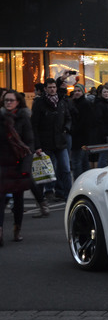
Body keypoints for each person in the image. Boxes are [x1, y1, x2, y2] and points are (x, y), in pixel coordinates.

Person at [1, 90, 37, 242]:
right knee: (0, 200)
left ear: (18, 101)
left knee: (18, 199)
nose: (8, 103)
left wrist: (26, 167)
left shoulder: (23, 118)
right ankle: (0, 231)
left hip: (18, 164)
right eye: (6, 100)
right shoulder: (1, 118)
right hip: (2, 164)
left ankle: (17, 229)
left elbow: (29, 144)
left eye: (11, 100)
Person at [31, 78, 73, 202]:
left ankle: (68, 194)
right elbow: (34, 125)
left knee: (65, 168)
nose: (52, 89)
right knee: (49, 170)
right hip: (46, 142)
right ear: (45, 89)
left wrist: (66, 129)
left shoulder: (62, 101)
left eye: (54, 87)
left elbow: (68, 118)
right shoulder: (39, 103)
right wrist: (37, 145)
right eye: (50, 87)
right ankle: (47, 193)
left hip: (60, 141)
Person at [70, 83, 94, 179]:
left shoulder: (84, 104)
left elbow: (84, 122)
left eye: (79, 91)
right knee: (83, 162)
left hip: (80, 138)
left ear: (83, 92)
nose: (76, 93)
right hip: (82, 138)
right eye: (75, 91)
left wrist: (73, 131)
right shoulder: (75, 103)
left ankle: (78, 182)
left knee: (78, 163)